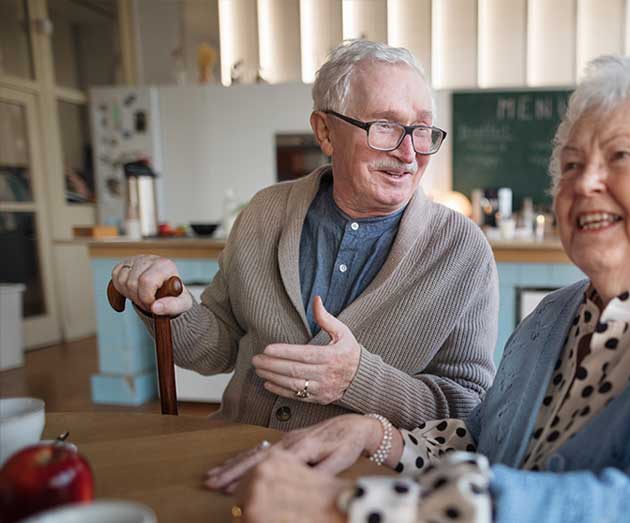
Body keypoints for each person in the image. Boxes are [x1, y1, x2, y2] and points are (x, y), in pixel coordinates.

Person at [210, 53, 630, 522]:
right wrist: (376, 433)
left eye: (621, 158)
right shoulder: (556, 315)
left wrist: (350, 508)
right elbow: (482, 439)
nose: (586, 183)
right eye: (572, 165)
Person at [109, 41, 498, 431]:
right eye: (385, 127)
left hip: (365, 477)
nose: (409, 153)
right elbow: (218, 349)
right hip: (239, 450)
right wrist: (176, 310)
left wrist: (357, 380)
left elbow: (468, 410)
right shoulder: (264, 213)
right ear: (325, 131)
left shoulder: (462, 252)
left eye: (422, 130)